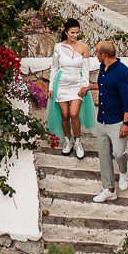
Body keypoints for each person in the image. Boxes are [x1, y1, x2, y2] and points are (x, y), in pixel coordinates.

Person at [78, 40, 128, 203]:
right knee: (104, 156)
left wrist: (126, 123)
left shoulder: (122, 72)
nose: (96, 55)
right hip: (102, 119)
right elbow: (104, 85)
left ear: (103, 55)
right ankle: (109, 189)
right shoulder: (104, 67)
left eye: (97, 53)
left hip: (117, 121)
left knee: (119, 153)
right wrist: (89, 87)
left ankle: (123, 171)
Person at [46, 18, 95, 159]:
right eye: (72, 32)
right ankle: (68, 140)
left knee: (74, 113)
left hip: (77, 83)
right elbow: (54, 67)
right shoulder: (58, 47)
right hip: (61, 84)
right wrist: (50, 87)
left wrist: (85, 87)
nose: (75, 35)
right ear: (66, 32)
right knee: (65, 115)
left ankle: (78, 141)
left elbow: (86, 69)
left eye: (77, 32)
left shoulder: (84, 47)